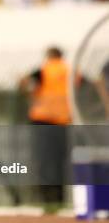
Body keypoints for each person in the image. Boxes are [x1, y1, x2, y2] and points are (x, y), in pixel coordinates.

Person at [20, 46, 71, 207]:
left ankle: (46, 198)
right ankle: (59, 198)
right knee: (59, 161)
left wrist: (32, 96)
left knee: (43, 161)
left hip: (42, 120)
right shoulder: (69, 70)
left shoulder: (44, 69)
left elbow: (24, 82)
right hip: (62, 121)